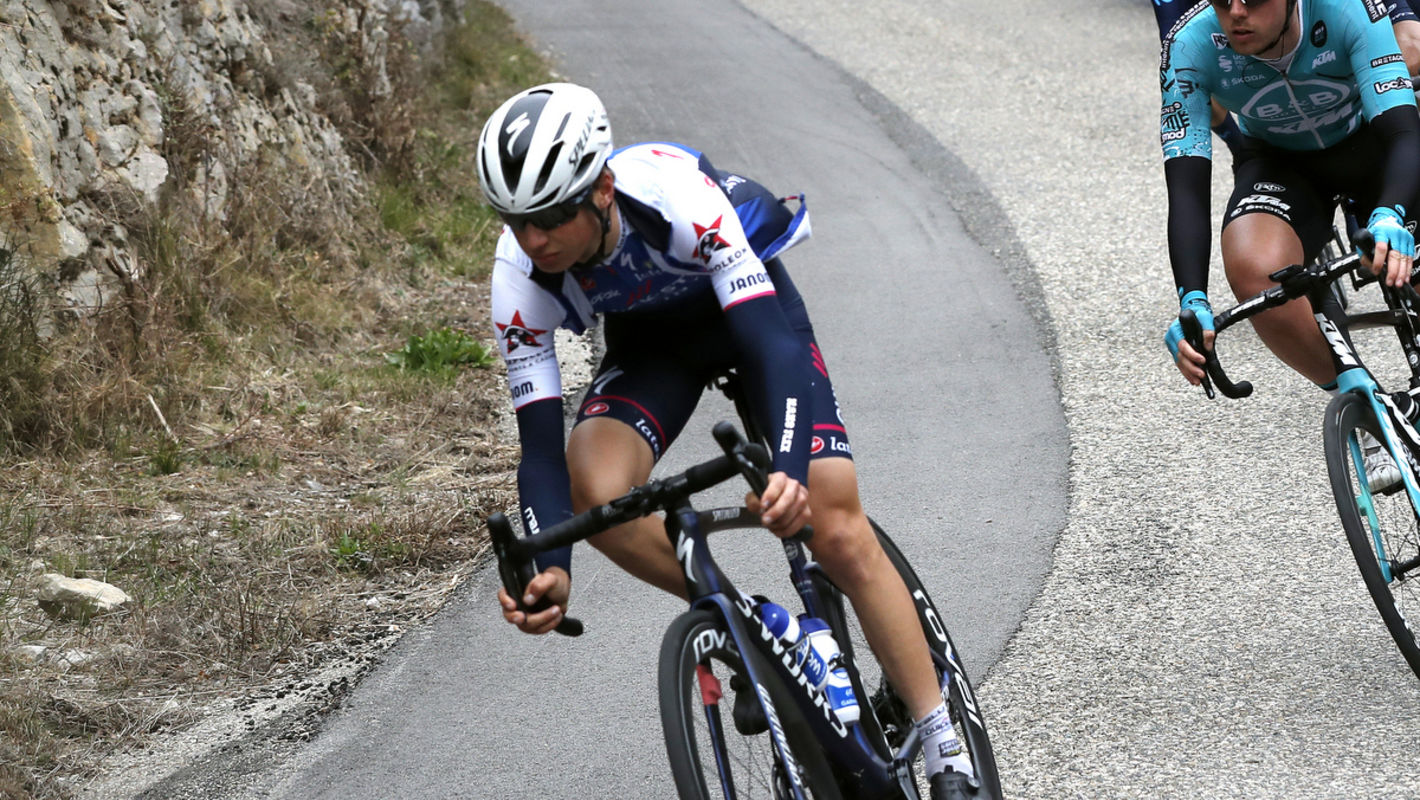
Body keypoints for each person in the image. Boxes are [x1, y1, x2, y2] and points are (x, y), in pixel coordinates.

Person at [480, 82, 977, 798]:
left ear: (603, 189)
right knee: (596, 490)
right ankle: (755, 623)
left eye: (553, 216)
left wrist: (790, 472)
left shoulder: (678, 198)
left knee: (832, 519)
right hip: (656, 347)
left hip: (749, 317)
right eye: (517, 221)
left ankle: (942, 741)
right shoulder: (519, 277)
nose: (535, 240)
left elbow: (773, 346)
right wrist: (549, 566)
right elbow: (538, 452)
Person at [1160, 0, 1420, 491]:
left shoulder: (1345, 8)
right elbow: (1187, 188)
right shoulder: (1190, 43)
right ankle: (1372, 409)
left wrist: (1391, 214)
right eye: (1223, 0)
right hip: (1279, 162)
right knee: (1253, 269)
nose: (1237, 13)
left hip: (1373, 139)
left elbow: (1405, 130)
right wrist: (1191, 297)